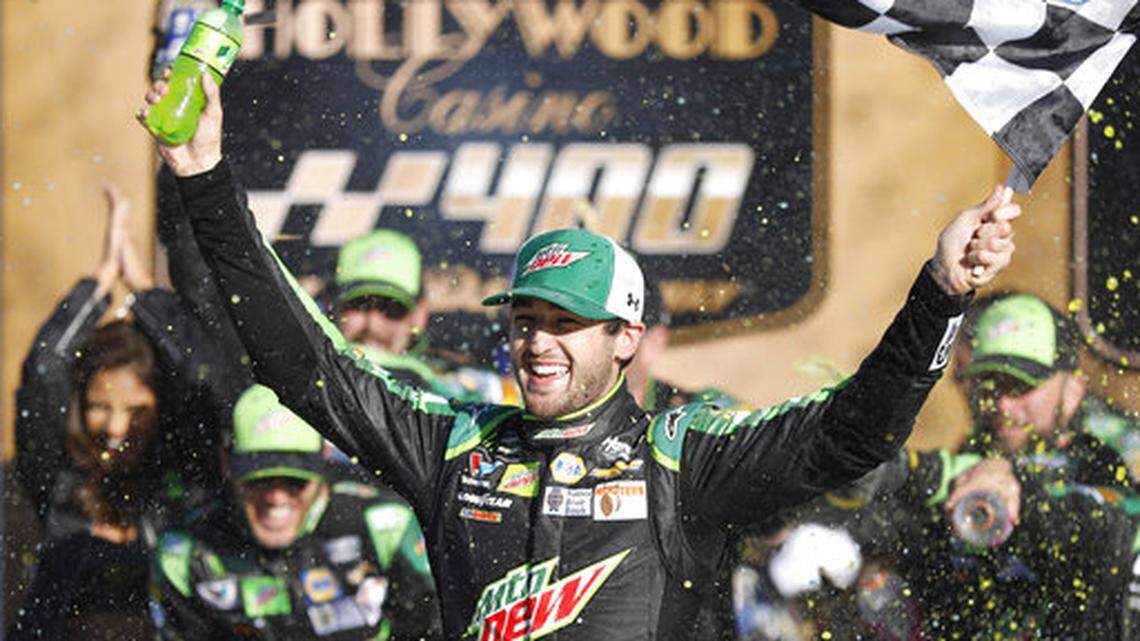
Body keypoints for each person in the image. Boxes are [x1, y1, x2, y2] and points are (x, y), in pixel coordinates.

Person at [138, 71, 1018, 640]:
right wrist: (206, 177)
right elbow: (303, 364)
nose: (536, 341)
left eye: (565, 322)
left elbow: (850, 435)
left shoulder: (685, 455)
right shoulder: (456, 445)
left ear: (626, 338)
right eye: (524, 318)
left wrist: (939, 293)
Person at [10, 185, 228, 640]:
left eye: (136, 410)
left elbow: (207, 379)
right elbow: (44, 367)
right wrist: (99, 282)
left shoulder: (186, 482)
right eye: (98, 407)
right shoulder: (59, 477)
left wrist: (148, 293)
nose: (115, 427)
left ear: (163, 407)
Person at [150, 385, 442, 640]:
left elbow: (437, 629)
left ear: (322, 465)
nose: (276, 497)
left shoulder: (384, 526)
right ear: (228, 463)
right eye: (259, 479)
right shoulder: (185, 553)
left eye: (295, 481)